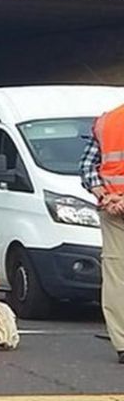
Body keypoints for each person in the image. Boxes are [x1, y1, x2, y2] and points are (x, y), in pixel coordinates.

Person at [81, 107, 124, 364]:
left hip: (111, 208)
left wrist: (104, 195)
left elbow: (87, 166)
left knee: (116, 275)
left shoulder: (107, 121)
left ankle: (122, 342)